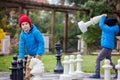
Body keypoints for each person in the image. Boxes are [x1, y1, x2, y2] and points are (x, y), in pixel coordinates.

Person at [89, 14, 119, 79]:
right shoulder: (111, 29)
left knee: (98, 59)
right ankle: (118, 71)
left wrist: (103, 17)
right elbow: (103, 25)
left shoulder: (107, 29)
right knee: (109, 61)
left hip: (107, 48)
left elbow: (101, 25)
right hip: (108, 47)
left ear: (108, 24)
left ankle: (97, 74)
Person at [17, 14, 45, 80]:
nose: (25, 26)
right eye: (23, 24)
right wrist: (21, 56)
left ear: (29, 24)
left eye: (26, 23)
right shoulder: (22, 35)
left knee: (37, 68)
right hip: (30, 54)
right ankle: (27, 78)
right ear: (21, 26)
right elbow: (21, 46)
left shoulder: (35, 32)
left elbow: (41, 42)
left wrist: (39, 53)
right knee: (28, 67)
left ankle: (38, 78)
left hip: (37, 54)